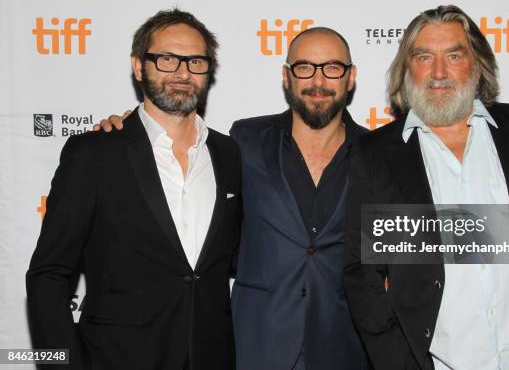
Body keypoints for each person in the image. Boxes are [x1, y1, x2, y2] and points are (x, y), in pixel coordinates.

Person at [342, 5, 509, 370]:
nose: (438, 72)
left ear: (477, 64)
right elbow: (361, 274)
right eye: (423, 57)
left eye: (454, 55)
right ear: (406, 69)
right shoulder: (376, 154)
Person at [97, 27, 371, 370]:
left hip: (344, 349)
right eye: (304, 67)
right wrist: (127, 128)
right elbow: (173, 148)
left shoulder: (378, 154)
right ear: (287, 76)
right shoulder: (243, 141)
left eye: (332, 68)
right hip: (253, 346)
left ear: (351, 76)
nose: (318, 80)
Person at [26, 9, 241, 370]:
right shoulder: (95, 154)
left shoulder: (229, 153)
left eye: (196, 61)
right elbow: (48, 275)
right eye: (167, 59)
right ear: (139, 66)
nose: (182, 72)